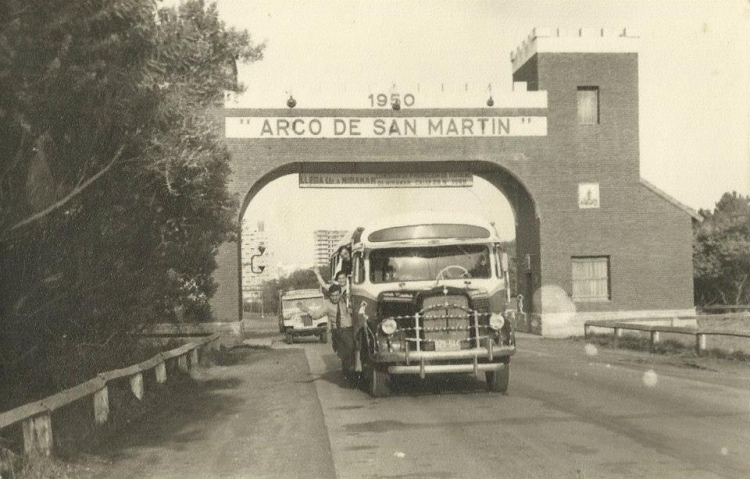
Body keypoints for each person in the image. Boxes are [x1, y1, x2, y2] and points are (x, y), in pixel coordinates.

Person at [297, 284, 358, 385]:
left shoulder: (346, 301)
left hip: (350, 329)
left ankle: (352, 372)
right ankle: (349, 376)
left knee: (355, 350)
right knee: (347, 352)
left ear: (340, 294)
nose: (334, 298)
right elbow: (316, 315)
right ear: (329, 295)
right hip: (339, 332)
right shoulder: (327, 305)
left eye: (337, 295)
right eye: (332, 295)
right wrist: (306, 309)